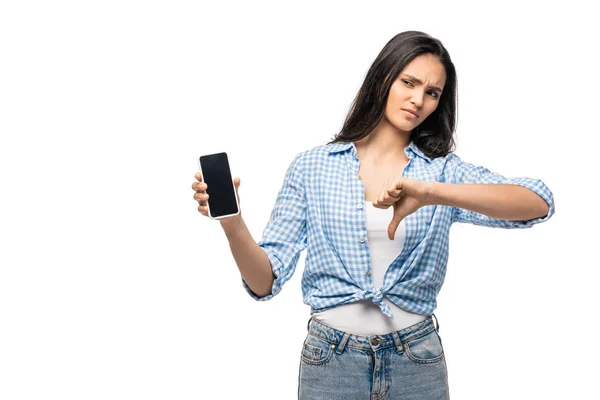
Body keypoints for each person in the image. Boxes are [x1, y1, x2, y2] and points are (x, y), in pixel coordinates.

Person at [191, 31, 555, 400]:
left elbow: (537, 202)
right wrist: (232, 222)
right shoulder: (312, 167)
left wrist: (431, 193)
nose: (418, 100)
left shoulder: (442, 173)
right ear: (383, 78)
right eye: (408, 83)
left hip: (417, 359)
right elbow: (264, 282)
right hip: (330, 361)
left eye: (432, 93)